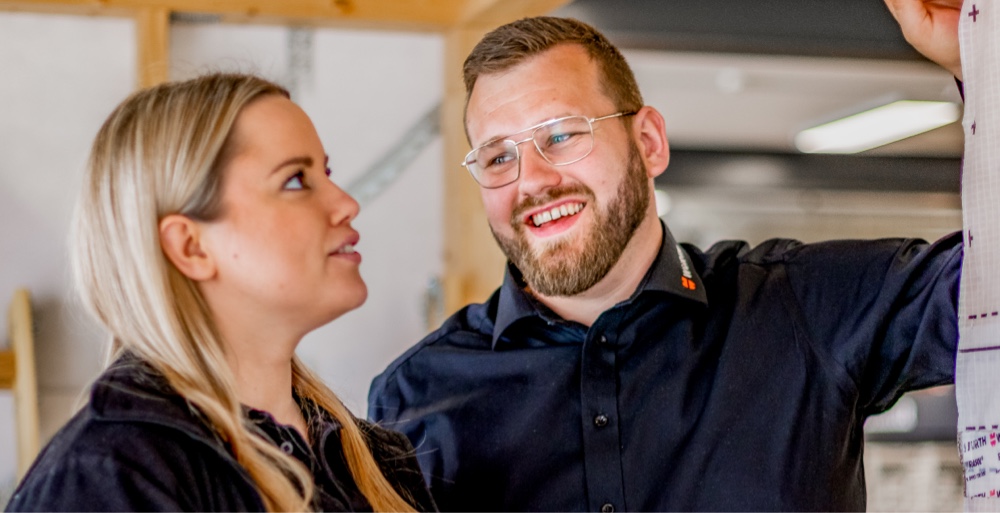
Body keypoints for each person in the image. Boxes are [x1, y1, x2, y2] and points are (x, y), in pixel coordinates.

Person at [369, 4, 965, 511]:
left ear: (648, 142)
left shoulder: (804, 306)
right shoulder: (416, 397)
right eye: (499, 157)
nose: (533, 181)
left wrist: (979, 61)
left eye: (561, 135)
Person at [6, 73, 436, 512]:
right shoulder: (107, 478)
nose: (347, 203)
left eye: (326, 173)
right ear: (190, 247)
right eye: (295, 180)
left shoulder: (379, 464)